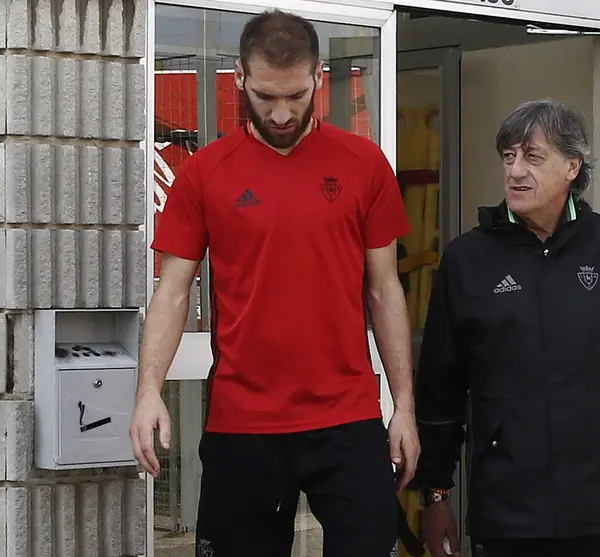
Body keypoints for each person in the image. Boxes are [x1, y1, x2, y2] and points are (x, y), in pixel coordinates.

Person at [128, 9, 419, 557]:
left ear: (317, 77)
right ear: (239, 76)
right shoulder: (205, 171)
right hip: (244, 423)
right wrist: (149, 394)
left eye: (295, 95)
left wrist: (403, 405)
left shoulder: (364, 163)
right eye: (265, 96)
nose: (281, 113)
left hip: (348, 419)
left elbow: (384, 289)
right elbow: (171, 291)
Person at [410, 99, 600, 557]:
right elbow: (440, 388)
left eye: (533, 157)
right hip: (510, 516)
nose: (515, 171)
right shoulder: (466, 260)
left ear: (573, 165)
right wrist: (435, 494)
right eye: (508, 156)